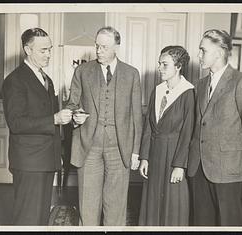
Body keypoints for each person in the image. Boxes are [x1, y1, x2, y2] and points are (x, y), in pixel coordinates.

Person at [187, 29, 242, 226]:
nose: (199, 55)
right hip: (199, 167)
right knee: (201, 223)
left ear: (220, 52)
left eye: (203, 50)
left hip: (229, 169)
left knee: (228, 222)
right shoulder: (200, 84)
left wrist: (241, 162)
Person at [66, 26, 143, 226]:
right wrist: (76, 115)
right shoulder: (82, 71)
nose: (99, 51)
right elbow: (72, 104)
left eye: (104, 47)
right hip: (88, 146)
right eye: (97, 46)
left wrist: (135, 152)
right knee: (88, 204)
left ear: (116, 46)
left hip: (119, 147)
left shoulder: (131, 74)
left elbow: (136, 116)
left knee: (116, 205)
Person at [2, 28, 72, 225]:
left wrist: (68, 118)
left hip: (46, 160)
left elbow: (47, 115)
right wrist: (54, 119)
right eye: (43, 50)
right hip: (29, 163)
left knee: (40, 219)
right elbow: (16, 123)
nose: (48, 54)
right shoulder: (15, 80)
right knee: (27, 219)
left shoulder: (46, 79)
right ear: (28, 49)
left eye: (49, 49)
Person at [138, 46, 195, 226]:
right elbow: (148, 125)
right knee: (152, 203)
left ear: (178, 66)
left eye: (165, 64)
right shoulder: (158, 90)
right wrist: (144, 157)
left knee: (173, 206)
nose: (160, 68)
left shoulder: (189, 92)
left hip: (174, 156)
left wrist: (180, 166)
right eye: (159, 64)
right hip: (154, 155)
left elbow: (188, 132)